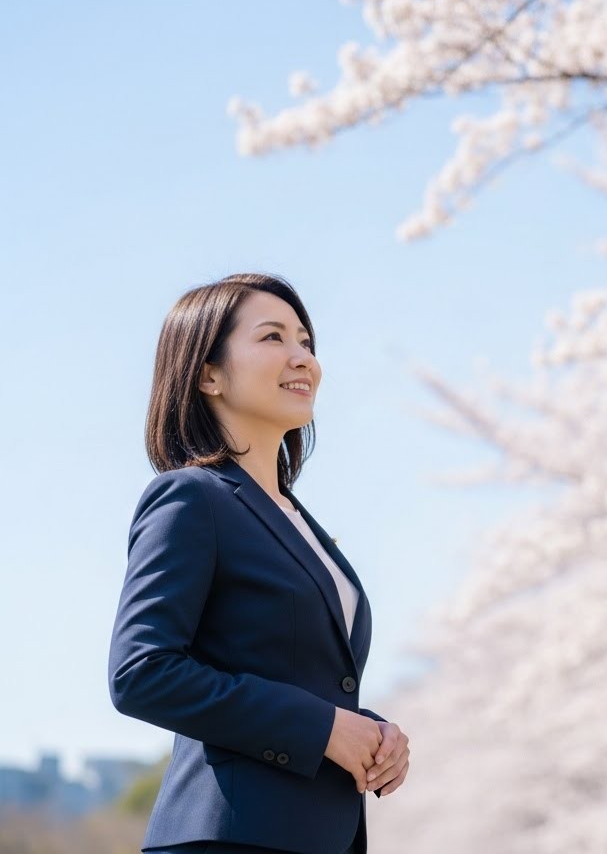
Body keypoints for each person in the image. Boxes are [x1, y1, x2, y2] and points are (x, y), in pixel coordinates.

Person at [108, 272, 409, 854]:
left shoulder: (299, 521)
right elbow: (140, 672)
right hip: (228, 835)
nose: (303, 358)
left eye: (307, 341)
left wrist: (369, 731)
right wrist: (320, 728)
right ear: (208, 374)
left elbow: (295, 674)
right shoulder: (192, 497)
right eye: (273, 338)